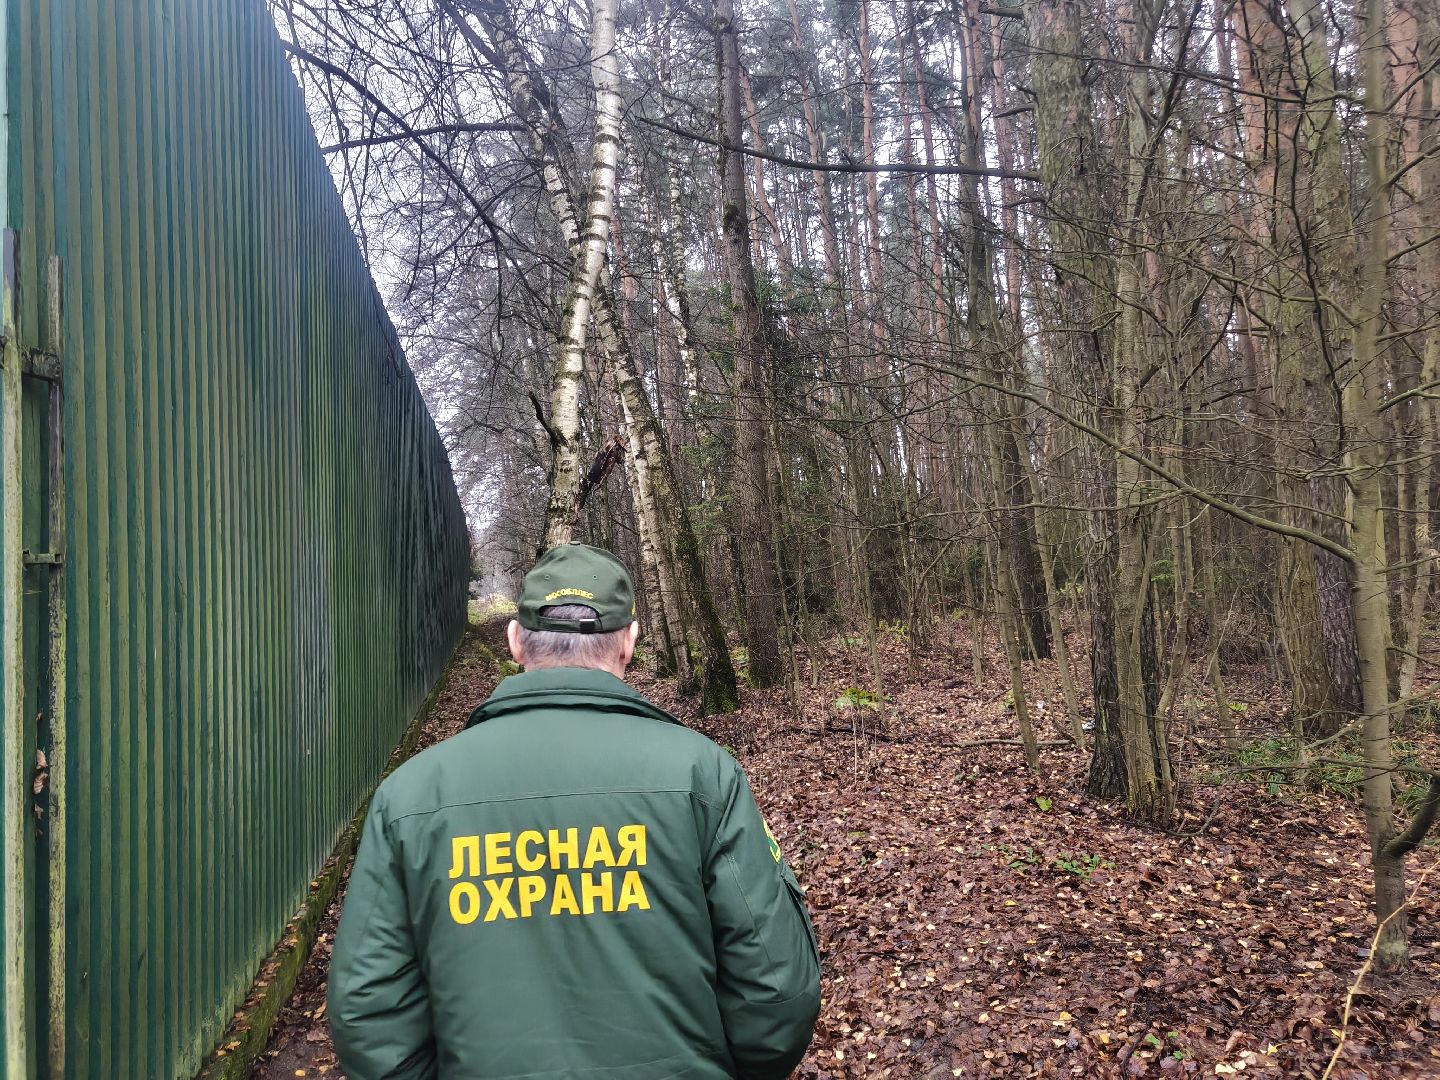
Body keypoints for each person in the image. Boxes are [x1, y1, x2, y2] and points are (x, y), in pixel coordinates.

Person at [328, 541, 822, 1080]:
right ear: (629, 642)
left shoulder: (409, 797)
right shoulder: (703, 776)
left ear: (515, 640)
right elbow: (777, 994)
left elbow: (367, 1015)